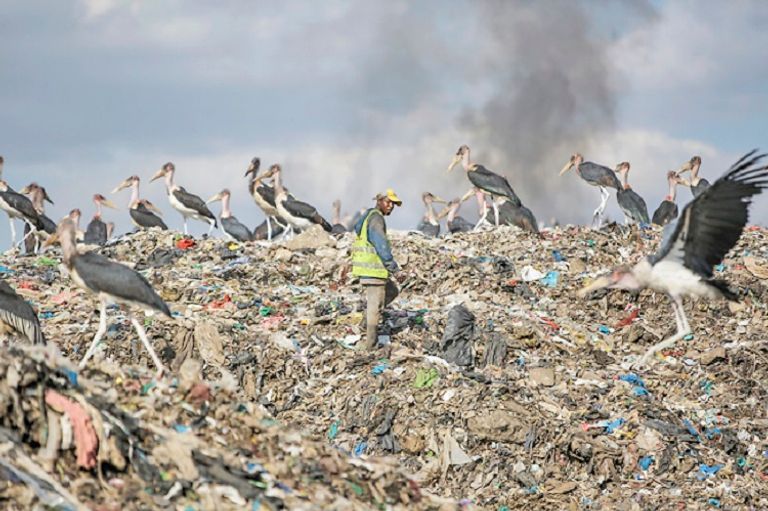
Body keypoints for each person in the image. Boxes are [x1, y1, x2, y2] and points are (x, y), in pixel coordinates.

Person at [352, 188, 402, 350]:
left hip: (367, 269)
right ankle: (371, 344)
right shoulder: (376, 219)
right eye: (388, 202)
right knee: (375, 306)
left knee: (392, 290)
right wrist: (393, 266)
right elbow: (381, 245)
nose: (391, 207)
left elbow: (356, 228)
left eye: (393, 204)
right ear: (379, 201)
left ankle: (365, 323)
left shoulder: (368, 216)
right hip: (373, 270)